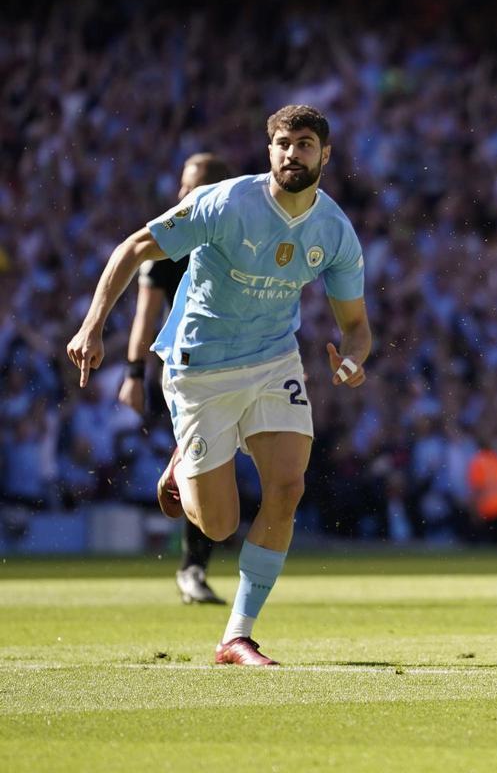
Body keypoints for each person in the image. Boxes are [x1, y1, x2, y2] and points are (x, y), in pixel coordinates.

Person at [67, 105, 371, 664]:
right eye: (283, 143)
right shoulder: (226, 201)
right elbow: (134, 247)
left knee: (288, 488)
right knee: (222, 524)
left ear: (325, 155)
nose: (292, 154)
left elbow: (357, 329)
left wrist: (351, 361)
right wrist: (92, 326)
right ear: (269, 150)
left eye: (305, 144)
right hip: (199, 368)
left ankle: (236, 635)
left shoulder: (333, 230)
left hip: (274, 362)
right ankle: (183, 463)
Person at [119, 153, 233, 606]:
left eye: (194, 186)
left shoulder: (240, 236)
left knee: (230, 465)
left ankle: (196, 562)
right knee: (209, 462)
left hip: (245, 360)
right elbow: (146, 315)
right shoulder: (169, 238)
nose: (183, 195)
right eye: (183, 186)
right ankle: (193, 568)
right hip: (188, 365)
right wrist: (133, 372)